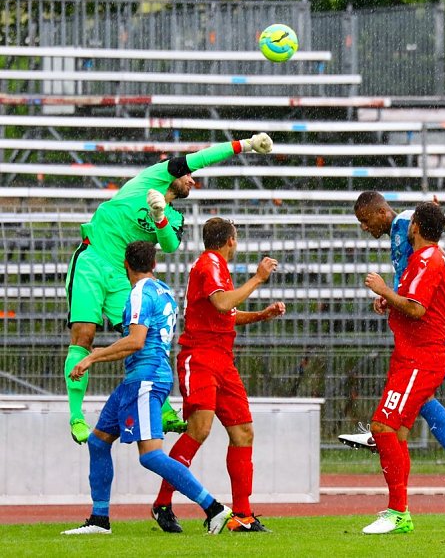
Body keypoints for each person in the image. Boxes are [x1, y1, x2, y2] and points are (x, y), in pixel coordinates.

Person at [64, 132, 274, 445]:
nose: (192, 180)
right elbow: (202, 158)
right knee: (84, 334)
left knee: (144, 336)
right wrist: (244, 145)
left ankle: (161, 405)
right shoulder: (157, 175)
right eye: (189, 176)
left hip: (124, 275)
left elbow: (171, 245)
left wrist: (160, 217)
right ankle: (76, 416)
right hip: (93, 258)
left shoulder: (175, 216)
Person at [61, 241, 233, 536]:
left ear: (125, 264)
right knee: (99, 442)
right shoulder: (164, 291)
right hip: (142, 378)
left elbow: (136, 341)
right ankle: (99, 520)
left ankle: (214, 508)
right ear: (153, 264)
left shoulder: (140, 292)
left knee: (150, 455)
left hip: (146, 379)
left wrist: (91, 356)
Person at [340, 191, 445, 496]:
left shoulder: (406, 221)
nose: (364, 228)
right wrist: (389, 299)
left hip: (439, 314)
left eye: (365, 221)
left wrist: (437, 216)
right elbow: (409, 278)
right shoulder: (398, 234)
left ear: (381, 212)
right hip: (426, 310)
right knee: (416, 389)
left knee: (419, 387)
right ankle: (391, 430)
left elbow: (440, 238)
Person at [151, 217, 285, 534]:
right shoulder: (209, 262)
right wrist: (258, 279)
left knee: (243, 433)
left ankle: (242, 515)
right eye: (236, 238)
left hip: (223, 360)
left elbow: (227, 314)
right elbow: (223, 303)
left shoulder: (217, 268)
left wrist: (262, 315)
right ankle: (162, 504)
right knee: (200, 428)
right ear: (230, 240)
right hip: (200, 357)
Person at [360, 202, 445, 534]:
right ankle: (401, 513)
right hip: (411, 357)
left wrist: (384, 289)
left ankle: (397, 511)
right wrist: (390, 300)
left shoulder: (428, 260)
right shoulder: (421, 260)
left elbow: (416, 309)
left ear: (414, 226)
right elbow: (410, 302)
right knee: (397, 433)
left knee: (382, 427)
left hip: (421, 359)